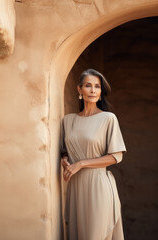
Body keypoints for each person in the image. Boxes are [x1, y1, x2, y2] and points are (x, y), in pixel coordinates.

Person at [60, 68, 126, 240]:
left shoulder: (108, 118)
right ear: (79, 90)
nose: (93, 90)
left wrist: (80, 163)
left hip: (98, 186)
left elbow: (115, 156)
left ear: (101, 91)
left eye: (97, 86)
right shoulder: (68, 121)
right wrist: (65, 160)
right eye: (88, 85)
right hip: (76, 188)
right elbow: (63, 150)